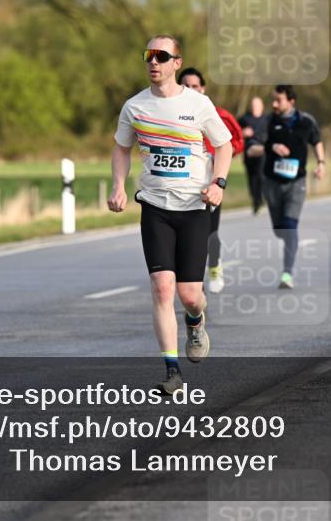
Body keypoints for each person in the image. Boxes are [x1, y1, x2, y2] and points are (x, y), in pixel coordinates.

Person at [108, 35, 233, 394]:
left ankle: (195, 321)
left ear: (177, 63)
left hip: (194, 208)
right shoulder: (135, 107)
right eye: (149, 55)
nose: (154, 62)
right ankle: (171, 369)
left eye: (162, 56)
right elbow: (121, 148)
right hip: (156, 207)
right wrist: (118, 186)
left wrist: (218, 182)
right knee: (162, 288)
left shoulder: (198, 104)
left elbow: (223, 145)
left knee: (190, 295)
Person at [247, 85, 324, 289]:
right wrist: (270, 147)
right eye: (273, 99)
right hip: (272, 183)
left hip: (296, 183)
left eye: (278, 100)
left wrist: (321, 163)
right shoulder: (268, 122)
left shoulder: (306, 121)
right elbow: (251, 149)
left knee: (289, 227)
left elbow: (316, 141)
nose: (273, 104)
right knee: (279, 230)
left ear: (291, 101)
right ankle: (289, 241)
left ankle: (287, 273)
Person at [178, 68, 244, 294]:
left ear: (203, 88)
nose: (191, 90)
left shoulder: (219, 115)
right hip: (181, 185)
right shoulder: (171, 116)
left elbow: (236, 141)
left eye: (195, 86)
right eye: (186, 86)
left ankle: (214, 267)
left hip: (210, 184)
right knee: (185, 235)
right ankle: (193, 279)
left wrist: (220, 157)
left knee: (209, 232)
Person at [238, 96, 268, 215]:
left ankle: (260, 199)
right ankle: (255, 201)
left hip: (262, 151)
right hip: (249, 152)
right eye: (253, 105)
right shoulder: (244, 119)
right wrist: (242, 133)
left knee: (261, 175)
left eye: (257, 105)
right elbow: (232, 132)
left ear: (262, 107)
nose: (255, 107)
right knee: (251, 178)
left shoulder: (267, 119)